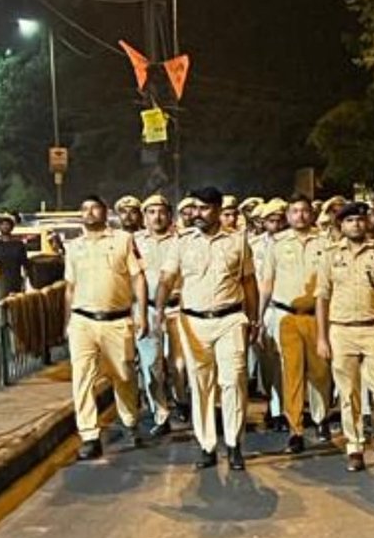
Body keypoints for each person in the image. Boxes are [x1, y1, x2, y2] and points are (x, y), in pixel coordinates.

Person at [155, 186, 257, 471]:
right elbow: (166, 278)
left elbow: (249, 282)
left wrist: (255, 319)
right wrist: (158, 311)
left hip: (230, 319)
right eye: (194, 208)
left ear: (217, 209)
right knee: (200, 384)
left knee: (234, 380)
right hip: (193, 322)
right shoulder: (182, 241)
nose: (197, 214)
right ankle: (207, 444)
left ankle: (235, 444)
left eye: (204, 208)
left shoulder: (238, 241)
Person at [316, 200, 374, 472]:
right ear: (340, 226)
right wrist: (322, 337)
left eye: (360, 220)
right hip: (341, 329)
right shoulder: (330, 254)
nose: (356, 224)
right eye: (349, 221)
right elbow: (322, 297)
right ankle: (354, 446)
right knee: (348, 393)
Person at [64, 195, 147, 461]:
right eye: (84, 209)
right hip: (82, 321)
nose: (89, 213)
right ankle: (89, 435)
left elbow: (137, 278)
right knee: (82, 379)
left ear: (105, 212)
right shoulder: (73, 246)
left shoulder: (123, 240)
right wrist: (67, 321)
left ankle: (130, 421)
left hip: (117, 320)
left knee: (122, 376)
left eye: (95, 208)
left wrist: (141, 313)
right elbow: (69, 287)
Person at [258, 193, 332, 452]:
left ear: (311, 214)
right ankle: (295, 428)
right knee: (292, 373)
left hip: (317, 314)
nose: (300, 215)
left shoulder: (325, 242)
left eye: (304, 210)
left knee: (321, 372)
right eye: (295, 211)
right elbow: (267, 283)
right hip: (286, 315)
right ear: (288, 216)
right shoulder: (276, 244)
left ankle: (321, 418)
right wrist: (259, 317)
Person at [133, 193, 184, 438]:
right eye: (151, 212)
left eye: (162, 211)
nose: (157, 216)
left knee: (179, 365)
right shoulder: (134, 242)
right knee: (151, 366)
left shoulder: (181, 241)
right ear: (144, 217)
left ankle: (183, 400)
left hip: (178, 308)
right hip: (147, 309)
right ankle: (160, 414)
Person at [251, 198, 287, 431]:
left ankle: (280, 411)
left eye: (279, 220)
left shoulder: (291, 244)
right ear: (263, 222)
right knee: (266, 361)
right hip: (261, 309)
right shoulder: (253, 246)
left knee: (282, 362)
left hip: (283, 307)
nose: (276, 224)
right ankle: (270, 401)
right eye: (271, 220)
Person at [0, 213, 29, 300]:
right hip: (2, 280)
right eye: (2, 224)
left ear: (11, 227)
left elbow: (25, 264)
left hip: (16, 280)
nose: (5, 227)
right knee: (3, 303)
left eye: (7, 224)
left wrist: (24, 282)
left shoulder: (19, 244)